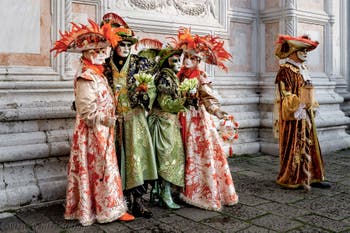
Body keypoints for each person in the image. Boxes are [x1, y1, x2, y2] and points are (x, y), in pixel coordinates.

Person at [50, 19, 134, 226]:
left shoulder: (97, 75)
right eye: (100, 51)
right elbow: (86, 112)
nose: (105, 55)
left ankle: (109, 207)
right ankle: (104, 209)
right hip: (93, 132)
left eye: (104, 50)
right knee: (100, 169)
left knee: (105, 169)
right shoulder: (86, 77)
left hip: (103, 131)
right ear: (88, 54)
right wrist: (105, 119)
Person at [174, 28, 239, 211]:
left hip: (197, 122)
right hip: (181, 119)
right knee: (183, 153)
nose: (187, 60)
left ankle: (202, 192)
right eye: (186, 56)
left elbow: (208, 98)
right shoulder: (179, 75)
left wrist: (217, 111)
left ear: (198, 61)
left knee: (199, 154)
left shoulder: (200, 77)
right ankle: (182, 189)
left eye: (192, 58)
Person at [101, 12, 157, 218]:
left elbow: (149, 86)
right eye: (121, 45)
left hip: (135, 119)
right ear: (114, 45)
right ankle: (119, 200)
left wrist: (145, 97)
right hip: (113, 121)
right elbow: (99, 88)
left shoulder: (140, 63)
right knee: (116, 159)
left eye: (128, 45)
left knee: (137, 159)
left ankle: (138, 201)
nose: (125, 48)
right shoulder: (105, 65)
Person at [274, 34, 330, 190]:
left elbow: (309, 90)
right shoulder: (285, 71)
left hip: (307, 113)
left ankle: (312, 177)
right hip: (294, 115)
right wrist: (300, 105)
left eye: (306, 51)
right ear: (292, 51)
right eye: (302, 50)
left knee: (310, 143)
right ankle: (294, 177)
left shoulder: (303, 69)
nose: (305, 53)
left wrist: (312, 104)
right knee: (295, 144)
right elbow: (284, 95)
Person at [147, 47, 186, 209]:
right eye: (174, 60)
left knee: (162, 158)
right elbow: (165, 104)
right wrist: (184, 101)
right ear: (166, 62)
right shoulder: (165, 78)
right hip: (163, 125)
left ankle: (156, 193)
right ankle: (165, 194)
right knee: (168, 159)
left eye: (179, 60)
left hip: (167, 123)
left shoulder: (170, 77)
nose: (178, 63)